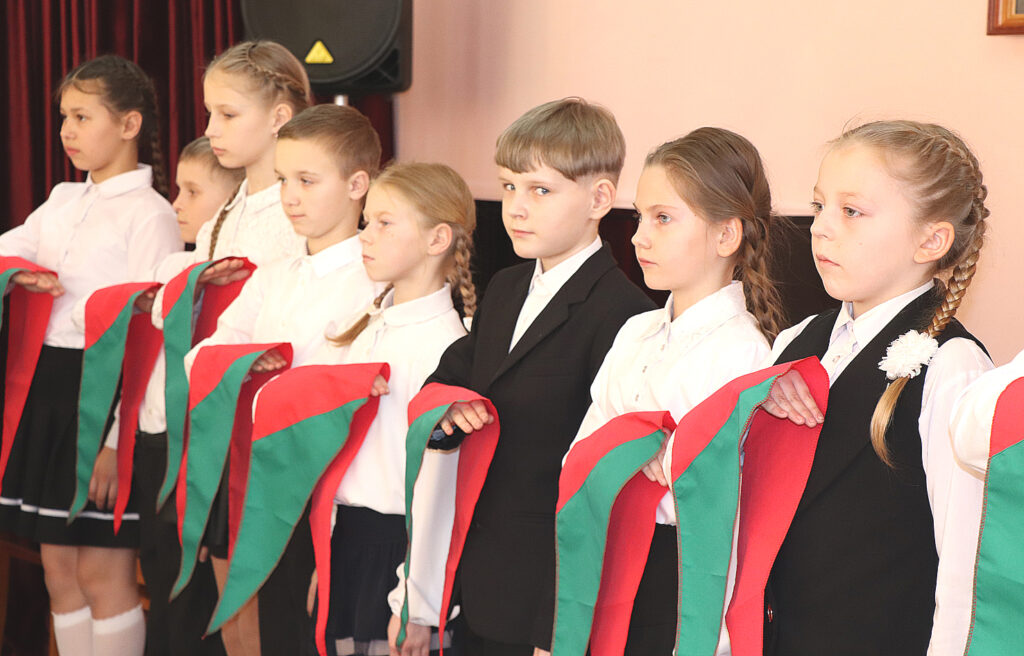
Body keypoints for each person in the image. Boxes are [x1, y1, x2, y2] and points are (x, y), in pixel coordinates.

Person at [426, 97, 654, 655]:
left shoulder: (625, 314)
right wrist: (449, 408)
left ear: (599, 199)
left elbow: (598, 485)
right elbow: (451, 376)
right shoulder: (506, 287)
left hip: (548, 599)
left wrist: (555, 626)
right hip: (478, 580)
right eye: (508, 187)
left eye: (540, 190)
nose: (516, 208)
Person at [758, 120, 993, 656]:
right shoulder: (796, 340)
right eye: (819, 205)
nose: (820, 228)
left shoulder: (953, 366)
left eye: (851, 211)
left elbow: (968, 570)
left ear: (930, 240)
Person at [562, 127, 784, 653]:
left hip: (680, 579)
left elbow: (725, 510)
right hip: (606, 556)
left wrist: (641, 452)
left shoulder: (744, 354)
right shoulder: (634, 331)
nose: (638, 237)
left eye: (663, 218)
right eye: (640, 216)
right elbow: (579, 458)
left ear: (726, 236)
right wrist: (632, 450)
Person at [184, 102, 383, 655]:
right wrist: (242, 362)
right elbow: (201, 356)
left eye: (306, 180)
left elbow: (364, 386)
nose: (289, 196)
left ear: (357, 184)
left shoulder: (375, 280)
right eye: (283, 180)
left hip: (320, 482)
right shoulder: (272, 275)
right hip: (249, 468)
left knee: (294, 633)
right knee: (239, 627)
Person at [0, 54, 180, 655]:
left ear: (129, 125)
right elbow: (9, 249)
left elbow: (151, 332)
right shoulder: (61, 198)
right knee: (60, 572)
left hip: (106, 392)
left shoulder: (151, 214)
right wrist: (19, 272)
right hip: (49, 390)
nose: (66, 131)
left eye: (82, 117)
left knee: (102, 572)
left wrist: (115, 441)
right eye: (63, 117)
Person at [304, 162, 476, 656]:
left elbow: (439, 490)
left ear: (437, 238)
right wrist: (327, 556)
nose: (365, 235)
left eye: (384, 222)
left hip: (400, 555)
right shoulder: (369, 327)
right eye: (367, 222)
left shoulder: (446, 348)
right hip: (349, 543)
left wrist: (416, 605)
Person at [133, 136, 242, 656]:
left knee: (198, 607)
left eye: (193, 191)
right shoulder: (177, 265)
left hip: (206, 454)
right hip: (158, 444)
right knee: (162, 586)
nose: (176, 203)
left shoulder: (244, 278)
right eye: (178, 189)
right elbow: (158, 318)